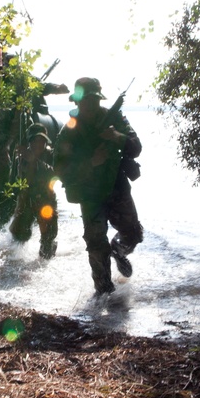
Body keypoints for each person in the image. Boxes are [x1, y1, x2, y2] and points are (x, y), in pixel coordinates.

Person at [53, 77, 143, 295]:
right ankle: (104, 293)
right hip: (89, 194)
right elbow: (59, 167)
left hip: (117, 187)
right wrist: (90, 162)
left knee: (132, 235)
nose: (89, 106)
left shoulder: (115, 119)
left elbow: (136, 147)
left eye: (93, 100)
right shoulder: (70, 130)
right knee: (95, 244)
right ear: (77, 102)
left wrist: (116, 136)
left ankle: (118, 251)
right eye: (85, 101)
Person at [9, 123, 58, 259]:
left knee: (48, 239)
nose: (38, 144)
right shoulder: (20, 156)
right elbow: (13, 181)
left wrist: (34, 161)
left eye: (42, 140)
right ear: (29, 141)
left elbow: (56, 174)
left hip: (46, 200)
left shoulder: (51, 154)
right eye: (35, 140)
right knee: (18, 236)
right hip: (26, 199)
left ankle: (47, 253)